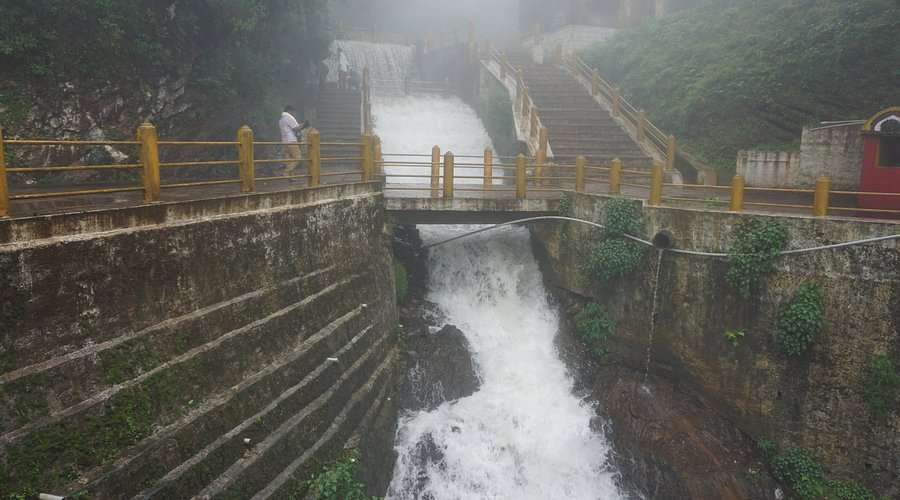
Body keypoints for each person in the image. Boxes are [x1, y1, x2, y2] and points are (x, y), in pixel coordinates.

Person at [279, 106, 308, 178]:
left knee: (289, 159)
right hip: (291, 140)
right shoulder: (289, 117)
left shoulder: (281, 119)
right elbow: (296, 129)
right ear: (290, 111)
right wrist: (304, 125)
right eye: (293, 112)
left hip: (284, 141)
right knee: (297, 157)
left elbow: (292, 128)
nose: (294, 114)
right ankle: (286, 172)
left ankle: (290, 177)